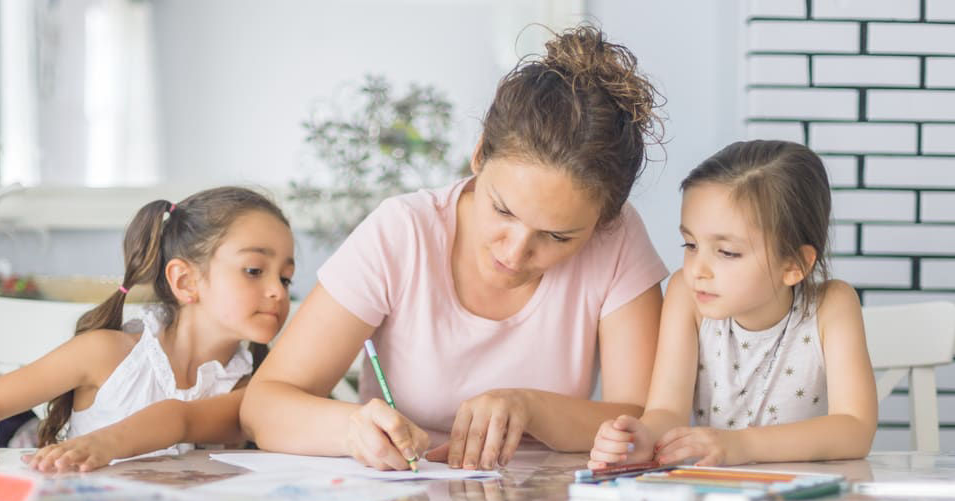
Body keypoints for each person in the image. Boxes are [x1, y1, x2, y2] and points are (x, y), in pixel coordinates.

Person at [243, 25, 669, 471]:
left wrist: (530, 407)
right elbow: (263, 408)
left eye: (557, 236)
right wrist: (351, 429)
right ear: (480, 155)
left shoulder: (618, 239)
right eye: (503, 211)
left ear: (602, 222)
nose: (516, 251)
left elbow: (639, 418)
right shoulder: (403, 233)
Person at [0, 187, 295, 472]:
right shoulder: (107, 354)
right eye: (254, 271)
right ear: (186, 281)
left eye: (287, 278)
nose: (278, 291)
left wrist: (106, 444)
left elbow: (184, 425)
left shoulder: (253, 384)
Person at [589, 140, 877, 469]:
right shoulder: (686, 294)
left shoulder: (831, 307)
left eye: (726, 252)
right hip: (717, 500)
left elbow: (855, 429)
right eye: (691, 244)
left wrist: (743, 444)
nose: (698, 269)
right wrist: (641, 437)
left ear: (794, 264)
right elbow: (667, 410)